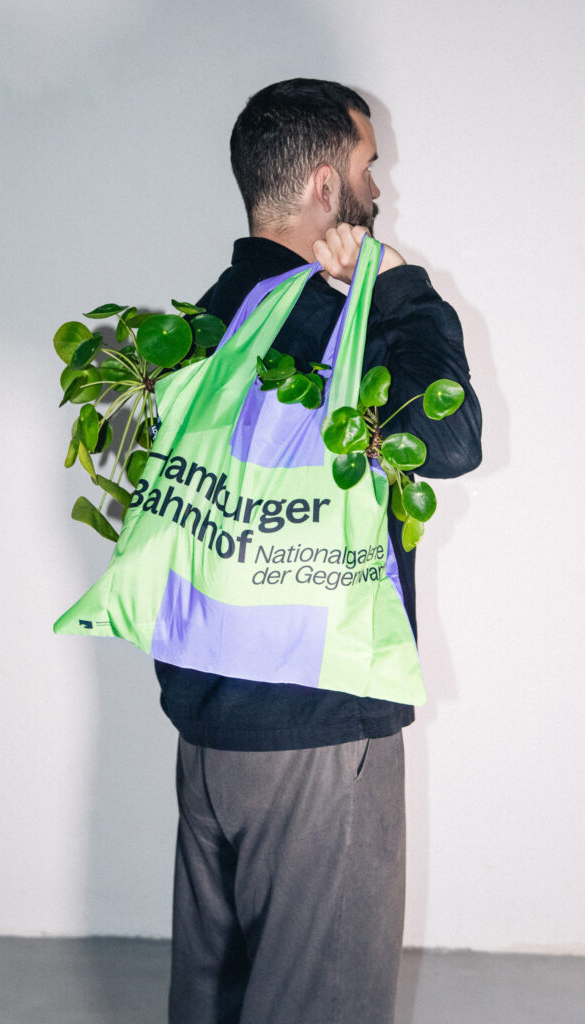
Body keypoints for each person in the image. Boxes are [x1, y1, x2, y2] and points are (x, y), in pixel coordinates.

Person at [155, 78, 482, 1024]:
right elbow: (449, 441)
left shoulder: (197, 324)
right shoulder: (333, 317)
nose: (377, 186)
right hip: (315, 724)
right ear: (323, 190)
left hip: (210, 726)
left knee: (215, 995)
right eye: (367, 166)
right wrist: (398, 286)